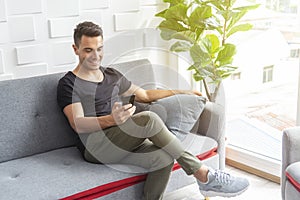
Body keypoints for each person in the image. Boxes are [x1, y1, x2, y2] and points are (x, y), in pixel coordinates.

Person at [57, 21, 249, 200]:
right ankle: (203, 174)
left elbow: (145, 95)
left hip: (122, 140)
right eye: (88, 50)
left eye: (99, 49)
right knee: (148, 118)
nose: (95, 56)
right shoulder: (69, 83)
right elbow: (78, 123)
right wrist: (112, 119)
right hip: (96, 146)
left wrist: (183, 91)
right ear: (76, 49)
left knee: (163, 157)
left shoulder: (111, 74)